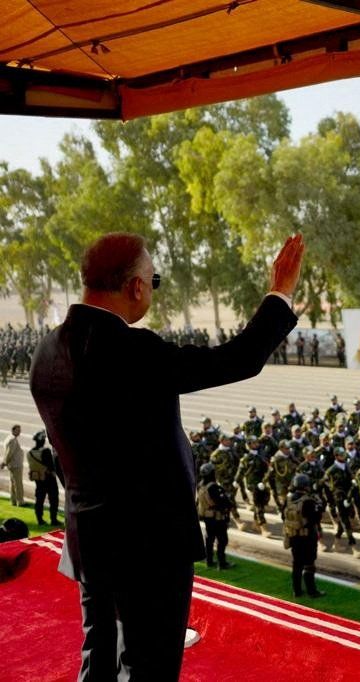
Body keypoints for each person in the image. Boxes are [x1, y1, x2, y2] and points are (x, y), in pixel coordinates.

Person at [29, 232, 302, 680]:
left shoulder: (46, 350)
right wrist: (281, 291)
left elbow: (65, 451)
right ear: (136, 286)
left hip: (88, 534)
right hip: (146, 547)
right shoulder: (133, 351)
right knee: (148, 667)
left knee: (98, 656)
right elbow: (238, 359)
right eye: (152, 280)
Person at [283, 473, 324, 598]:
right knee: (309, 564)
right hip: (307, 537)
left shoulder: (289, 498)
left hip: (293, 536)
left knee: (297, 564)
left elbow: (283, 515)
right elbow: (315, 518)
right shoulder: (308, 501)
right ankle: (312, 591)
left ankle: (297, 591)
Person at [196, 462, 233, 569]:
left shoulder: (200, 485)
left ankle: (209, 561)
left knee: (209, 539)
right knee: (222, 540)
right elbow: (224, 503)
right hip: (217, 518)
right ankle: (221, 563)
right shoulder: (213, 487)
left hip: (207, 517)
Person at [27, 430, 60, 525]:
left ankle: (39, 519)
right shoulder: (46, 451)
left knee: (39, 500)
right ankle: (53, 519)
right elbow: (51, 465)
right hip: (49, 478)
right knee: (53, 499)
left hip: (38, 479)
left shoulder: (30, 452)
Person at [2, 424, 24, 507]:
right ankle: (20, 502)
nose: (19, 432)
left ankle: (13, 501)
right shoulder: (12, 440)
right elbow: (9, 453)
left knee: (13, 483)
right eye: (18, 430)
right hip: (16, 465)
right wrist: (4, 463)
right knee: (18, 484)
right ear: (13, 430)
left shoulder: (9, 438)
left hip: (13, 465)